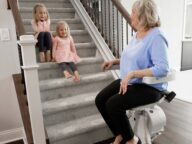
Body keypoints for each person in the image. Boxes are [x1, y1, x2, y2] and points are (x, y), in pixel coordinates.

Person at [95, 0, 169, 144]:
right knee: (100, 100)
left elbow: (162, 68)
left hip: (150, 87)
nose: (131, 16)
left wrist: (133, 74)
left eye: (133, 13)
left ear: (142, 16)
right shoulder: (138, 34)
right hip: (132, 82)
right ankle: (121, 134)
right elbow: (133, 58)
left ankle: (132, 140)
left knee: (113, 104)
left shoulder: (157, 36)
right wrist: (116, 61)